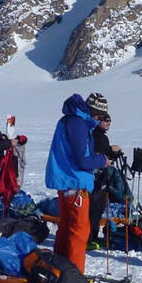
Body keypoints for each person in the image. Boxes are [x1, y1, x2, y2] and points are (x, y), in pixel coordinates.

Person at [45, 93, 111, 273]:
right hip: (74, 182)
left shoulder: (70, 120)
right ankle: (74, 273)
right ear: (93, 113)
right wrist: (101, 161)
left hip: (67, 181)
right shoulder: (78, 124)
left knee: (66, 227)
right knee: (79, 229)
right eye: (98, 116)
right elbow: (82, 160)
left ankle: (60, 268)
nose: (98, 121)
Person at [88, 110, 124, 250]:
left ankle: (93, 237)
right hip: (96, 178)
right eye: (105, 120)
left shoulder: (100, 136)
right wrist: (111, 153)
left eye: (109, 120)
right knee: (94, 209)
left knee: (97, 209)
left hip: (100, 177)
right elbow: (99, 156)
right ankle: (89, 238)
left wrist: (112, 153)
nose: (108, 123)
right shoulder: (96, 135)